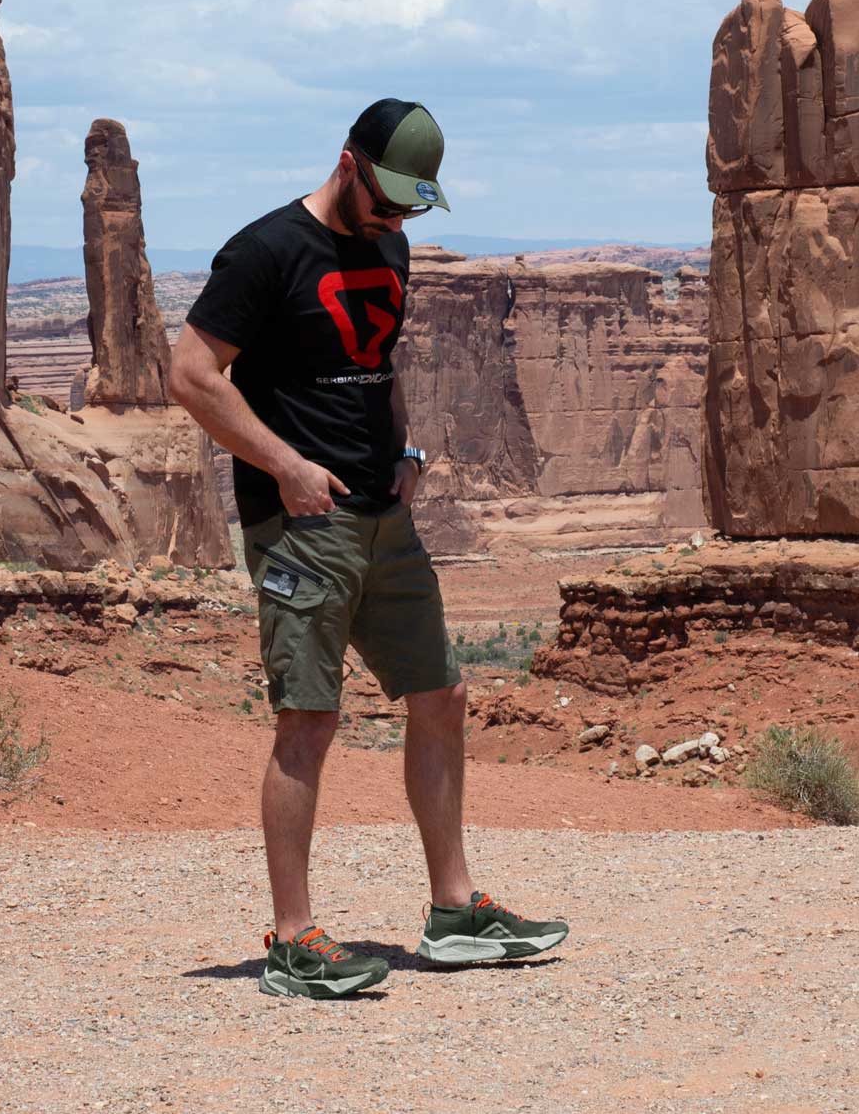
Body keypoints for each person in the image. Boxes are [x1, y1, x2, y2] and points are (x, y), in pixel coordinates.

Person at [169, 98, 569, 1000]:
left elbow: (380, 365)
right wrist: (285, 465)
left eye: (410, 208)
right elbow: (190, 373)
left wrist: (406, 454)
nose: (395, 221)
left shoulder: (392, 247)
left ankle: (455, 909)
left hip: (384, 515)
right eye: (385, 202)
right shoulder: (266, 251)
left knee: (442, 694)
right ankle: (292, 940)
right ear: (347, 164)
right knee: (308, 719)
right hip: (300, 524)